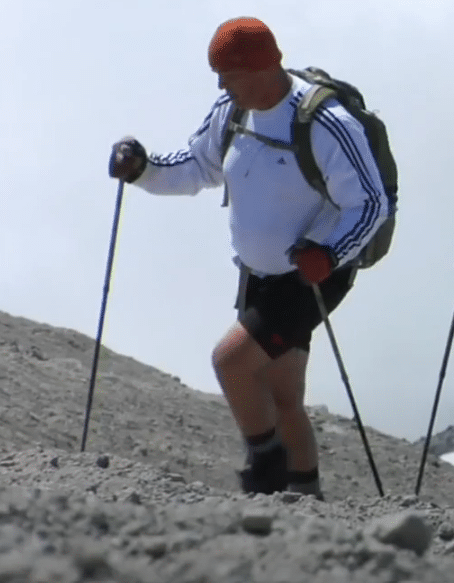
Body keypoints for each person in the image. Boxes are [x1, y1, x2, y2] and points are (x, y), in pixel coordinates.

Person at [106, 16, 394, 500]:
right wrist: (142, 170)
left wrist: (329, 254)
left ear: (262, 67)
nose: (220, 84)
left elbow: (369, 203)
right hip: (257, 274)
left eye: (228, 74)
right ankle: (307, 500)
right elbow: (197, 166)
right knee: (283, 396)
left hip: (311, 275)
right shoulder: (231, 110)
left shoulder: (325, 123)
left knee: (231, 361)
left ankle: (264, 475)